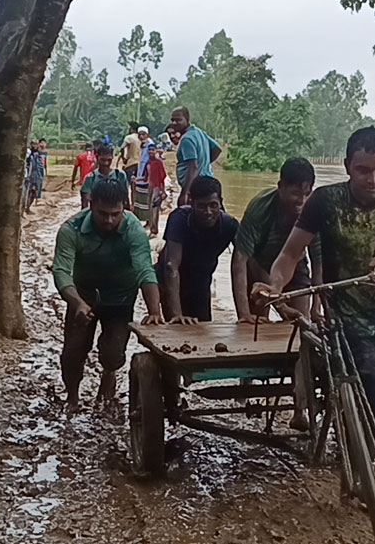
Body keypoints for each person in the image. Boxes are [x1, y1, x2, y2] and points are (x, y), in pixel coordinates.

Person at [253, 127, 375, 470]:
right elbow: (290, 255)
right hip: (345, 327)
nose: (374, 179)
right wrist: (274, 287)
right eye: (364, 170)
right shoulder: (325, 201)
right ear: (348, 166)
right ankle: (366, 475)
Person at [53, 179, 166, 412]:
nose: (109, 220)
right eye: (103, 214)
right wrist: (78, 303)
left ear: (124, 207)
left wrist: (155, 310)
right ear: (90, 205)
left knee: (114, 353)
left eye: (116, 214)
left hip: (121, 298)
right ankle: (72, 397)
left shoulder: (133, 229)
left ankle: (108, 375)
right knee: (73, 352)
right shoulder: (71, 230)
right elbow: (62, 272)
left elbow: (145, 269)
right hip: (83, 296)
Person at [232, 158, 321, 323]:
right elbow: (240, 261)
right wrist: (243, 313)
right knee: (256, 323)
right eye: (295, 193)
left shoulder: (312, 211)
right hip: (260, 266)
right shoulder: (259, 209)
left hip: (296, 267)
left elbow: (319, 262)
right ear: (281, 188)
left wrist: (316, 307)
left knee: (301, 323)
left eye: (306, 194)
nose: (301, 201)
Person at [157, 176, 239, 323]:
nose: (208, 212)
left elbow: (243, 263)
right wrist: (177, 315)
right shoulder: (179, 219)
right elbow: (171, 267)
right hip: (170, 280)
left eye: (213, 205)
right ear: (191, 203)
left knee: (203, 329)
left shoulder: (230, 225)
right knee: (177, 329)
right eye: (201, 206)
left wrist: (244, 314)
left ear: (221, 202)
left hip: (201, 281)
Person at [170, 107, 222, 206]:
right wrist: (204, 162)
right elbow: (217, 149)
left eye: (179, 120)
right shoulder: (199, 132)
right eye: (172, 120)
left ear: (187, 119)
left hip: (196, 187)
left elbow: (193, 166)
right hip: (208, 182)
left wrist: (185, 193)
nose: (174, 123)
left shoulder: (187, 139)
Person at [80, 144, 130, 210]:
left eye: (109, 160)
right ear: (97, 157)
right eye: (103, 160)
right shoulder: (90, 178)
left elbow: (125, 199)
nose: (106, 163)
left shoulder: (120, 175)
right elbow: (85, 204)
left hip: (116, 215)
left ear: (112, 158)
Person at [145, 146, 168, 236]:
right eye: (149, 150)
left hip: (157, 187)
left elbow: (162, 177)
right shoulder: (148, 163)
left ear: (155, 151)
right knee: (150, 209)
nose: (151, 152)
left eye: (153, 150)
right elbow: (146, 177)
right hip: (149, 187)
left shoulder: (158, 163)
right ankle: (151, 228)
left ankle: (154, 230)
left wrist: (162, 190)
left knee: (155, 208)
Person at [26, 139, 49, 210]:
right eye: (33, 144)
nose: (35, 146)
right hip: (30, 176)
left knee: (35, 192)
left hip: (38, 175)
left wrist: (43, 174)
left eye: (36, 144)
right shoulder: (29, 153)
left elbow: (42, 164)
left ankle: (28, 207)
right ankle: (26, 207)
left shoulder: (40, 154)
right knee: (28, 191)